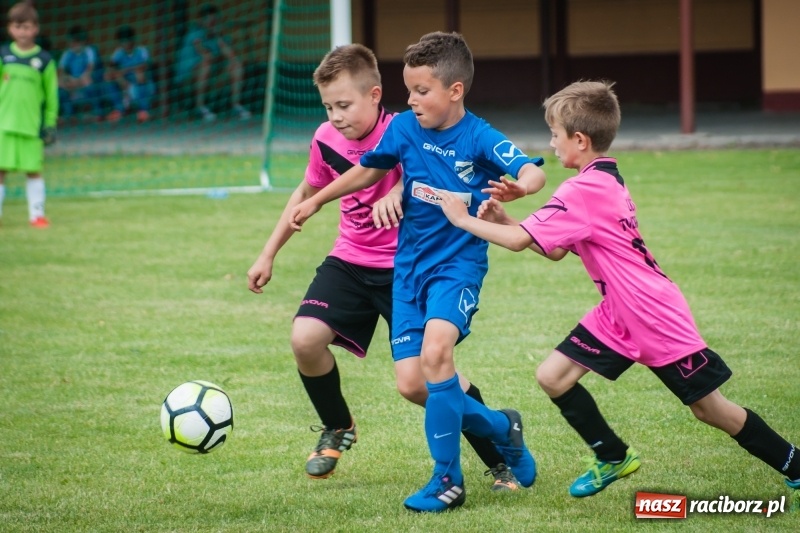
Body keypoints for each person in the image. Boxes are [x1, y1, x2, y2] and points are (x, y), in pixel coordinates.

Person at [438, 80, 800, 502]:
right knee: (553, 376)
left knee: (710, 409)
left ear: (579, 139)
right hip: (618, 311)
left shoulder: (582, 190)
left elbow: (521, 241)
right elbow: (553, 250)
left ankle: (793, 463)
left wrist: (462, 219)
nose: (551, 144)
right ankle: (612, 456)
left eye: (555, 135)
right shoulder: (604, 179)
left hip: (652, 314)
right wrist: (503, 220)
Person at [247, 43, 523, 494]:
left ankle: (499, 455)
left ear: (375, 95)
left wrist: (400, 192)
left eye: (344, 105)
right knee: (305, 338)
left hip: (405, 269)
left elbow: (426, 172)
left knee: (419, 385)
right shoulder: (326, 139)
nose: (336, 116)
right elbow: (306, 192)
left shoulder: (412, 126)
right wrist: (268, 253)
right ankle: (337, 426)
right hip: (350, 260)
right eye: (329, 107)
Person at [0, 2, 57, 228]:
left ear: (36, 29)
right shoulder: (3, 56)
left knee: (34, 171)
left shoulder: (44, 61)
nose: (23, 32)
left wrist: (50, 123)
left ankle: (37, 215)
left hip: (31, 127)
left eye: (27, 27)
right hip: (3, 126)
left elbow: (51, 97)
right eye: (18, 27)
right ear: (10, 29)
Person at [174, 3, 250, 122]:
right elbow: (206, 55)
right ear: (201, 21)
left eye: (215, 21)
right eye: (210, 22)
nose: (212, 25)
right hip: (187, 81)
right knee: (206, 64)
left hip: (210, 79)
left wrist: (219, 37)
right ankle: (199, 107)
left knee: (236, 65)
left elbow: (232, 56)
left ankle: (236, 105)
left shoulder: (217, 36)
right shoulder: (194, 33)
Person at [57, 25, 124, 123]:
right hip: (74, 82)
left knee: (88, 81)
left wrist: (77, 81)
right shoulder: (67, 53)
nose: (73, 44)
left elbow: (89, 71)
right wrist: (66, 79)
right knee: (57, 85)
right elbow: (60, 71)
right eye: (71, 41)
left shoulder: (90, 50)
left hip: (91, 82)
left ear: (82, 42)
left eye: (75, 42)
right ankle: (69, 115)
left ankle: (99, 113)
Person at [107, 25, 155, 123]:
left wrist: (126, 70)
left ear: (132, 40)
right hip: (126, 83)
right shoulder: (118, 52)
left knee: (139, 74)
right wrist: (119, 77)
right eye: (122, 41)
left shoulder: (141, 50)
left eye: (127, 40)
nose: (125, 43)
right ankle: (119, 110)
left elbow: (144, 66)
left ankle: (143, 111)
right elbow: (111, 67)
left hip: (144, 85)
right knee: (108, 77)